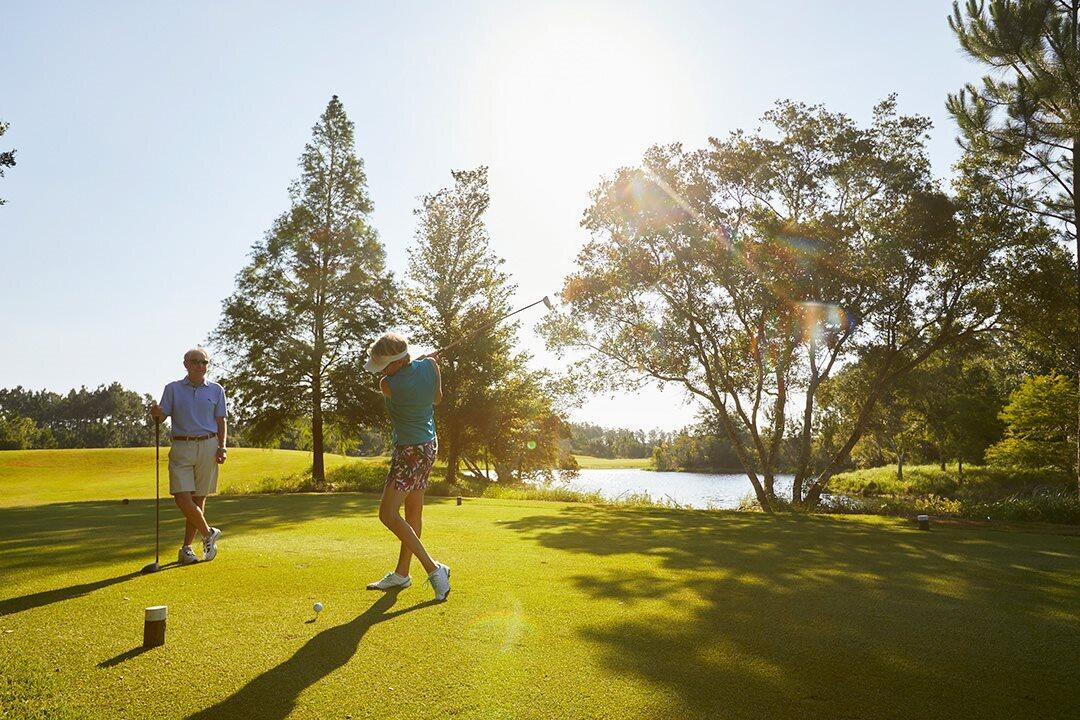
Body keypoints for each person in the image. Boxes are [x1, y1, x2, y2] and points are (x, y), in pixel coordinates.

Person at [363, 332, 450, 601]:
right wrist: (430, 366)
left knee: (387, 514)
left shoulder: (387, 384)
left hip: (409, 452)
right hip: (428, 446)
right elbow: (437, 399)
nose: (380, 371)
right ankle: (402, 574)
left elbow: (403, 380)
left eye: (384, 365)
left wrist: (422, 365)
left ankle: (434, 569)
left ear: (396, 363)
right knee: (413, 511)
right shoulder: (431, 366)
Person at [150, 347, 225, 565]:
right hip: (182, 446)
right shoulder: (172, 389)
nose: (201, 366)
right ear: (186, 364)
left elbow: (221, 421)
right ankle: (208, 532)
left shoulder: (216, 390)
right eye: (196, 362)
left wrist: (222, 446)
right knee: (181, 497)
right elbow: (162, 417)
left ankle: (186, 549)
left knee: (198, 499)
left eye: (205, 363)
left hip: (209, 445)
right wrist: (157, 413)